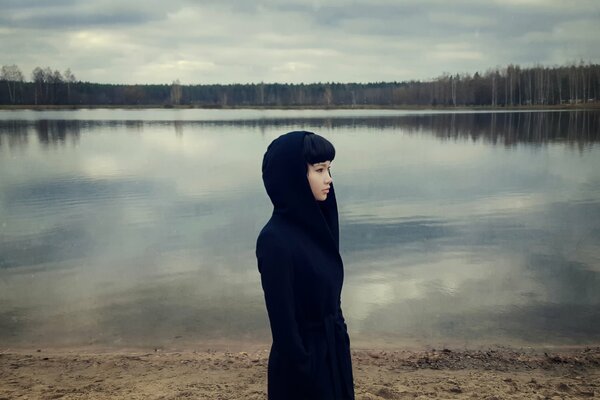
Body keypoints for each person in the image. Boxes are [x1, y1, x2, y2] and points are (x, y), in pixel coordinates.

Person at [256, 130, 355, 399]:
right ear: (294, 177)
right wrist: (308, 369)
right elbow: (284, 328)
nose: (329, 179)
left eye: (329, 169)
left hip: (333, 356)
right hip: (302, 371)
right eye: (319, 169)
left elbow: (333, 301)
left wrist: (341, 342)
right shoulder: (275, 240)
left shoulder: (320, 230)